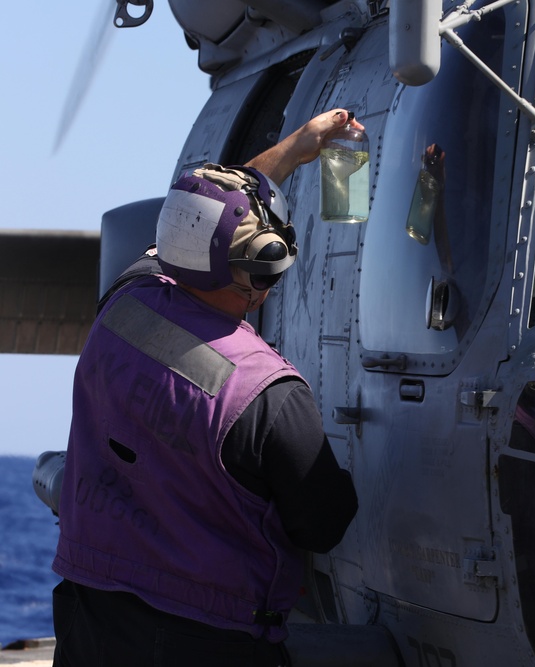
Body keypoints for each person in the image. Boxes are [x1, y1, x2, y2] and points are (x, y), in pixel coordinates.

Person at [50, 109, 364, 667]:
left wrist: (294, 147)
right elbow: (325, 522)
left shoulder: (127, 297)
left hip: (89, 617)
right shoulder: (270, 395)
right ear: (262, 268)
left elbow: (205, 221)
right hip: (206, 641)